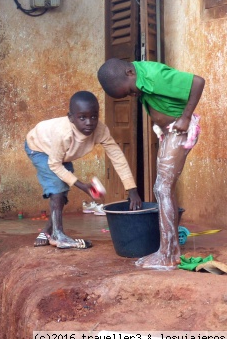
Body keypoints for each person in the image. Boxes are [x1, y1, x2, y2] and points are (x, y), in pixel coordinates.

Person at [97, 58, 205, 270]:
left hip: (179, 130)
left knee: (162, 188)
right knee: (164, 188)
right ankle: (169, 249)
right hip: (169, 132)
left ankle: (168, 253)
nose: (132, 95)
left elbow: (198, 82)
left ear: (130, 72)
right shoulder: (140, 79)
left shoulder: (153, 76)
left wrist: (185, 117)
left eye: (129, 91)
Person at [26, 91, 142, 249]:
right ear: (71, 117)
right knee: (57, 188)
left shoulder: (100, 130)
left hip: (60, 154)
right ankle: (58, 236)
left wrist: (132, 189)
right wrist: (82, 186)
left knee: (61, 189)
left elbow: (117, 157)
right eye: (82, 117)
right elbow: (54, 164)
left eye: (94, 116)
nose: (89, 122)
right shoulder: (64, 133)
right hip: (39, 147)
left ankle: (49, 230)